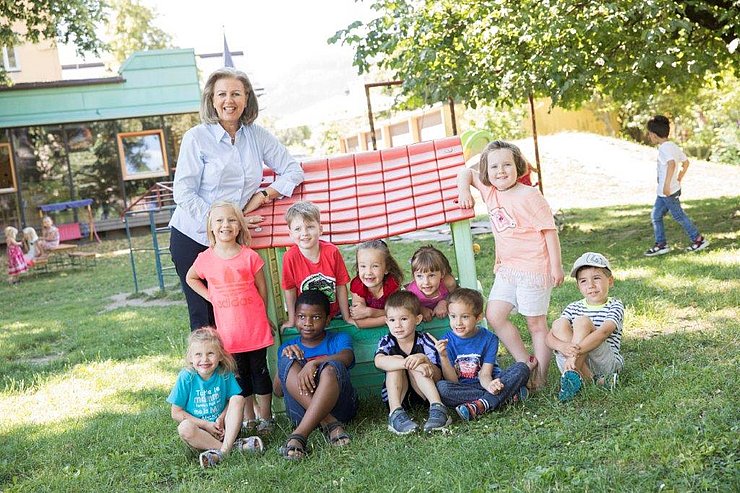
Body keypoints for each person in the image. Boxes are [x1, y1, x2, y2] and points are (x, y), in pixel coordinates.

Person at [169, 66, 304, 330]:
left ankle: (242, 372)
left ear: (246, 98)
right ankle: (209, 371)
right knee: (205, 317)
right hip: (193, 236)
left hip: (232, 242)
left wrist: (264, 195)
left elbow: (293, 170)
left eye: (236, 94)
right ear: (212, 99)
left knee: (239, 313)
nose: (228, 101)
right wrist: (224, 221)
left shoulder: (257, 136)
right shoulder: (196, 138)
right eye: (222, 94)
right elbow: (183, 192)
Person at [457, 140, 564, 390]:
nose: (500, 171)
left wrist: (556, 267)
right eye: (494, 166)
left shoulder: (530, 195)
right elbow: (465, 172)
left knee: (536, 324)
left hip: (534, 268)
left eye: (507, 164)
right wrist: (465, 191)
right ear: (487, 171)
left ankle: (541, 377)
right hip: (508, 268)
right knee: (494, 315)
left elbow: (549, 232)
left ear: (518, 166)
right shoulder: (490, 191)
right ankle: (525, 364)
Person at [186, 201, 275, 435]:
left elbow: (262, 290)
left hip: (254, 328)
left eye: (232, 220)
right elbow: (191, 278)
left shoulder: (250, 257)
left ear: (240, 226)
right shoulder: (205, 258)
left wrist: (265, 317)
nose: (226, 224)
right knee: (239, 376)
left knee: (260, 373)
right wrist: (211, 297)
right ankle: (249, 418)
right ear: (211, 228)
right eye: (219, 220)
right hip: (229, 333)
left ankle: (266, 417)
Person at [273, 290, 358, 460]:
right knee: (286, 361)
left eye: (316, 317)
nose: (308, 323)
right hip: (301, 413)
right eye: (301, 317)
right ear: (295, 317)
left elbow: (348, 358)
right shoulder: (289, 346)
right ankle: (330, 423)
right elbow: (278, 391)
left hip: (341, 408)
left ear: (327, 319)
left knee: (331, 368)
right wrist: (286, 359)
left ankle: (299, 436)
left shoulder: (339, 339)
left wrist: (314, 363)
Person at [431, 289, 537, 421]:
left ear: (479, 317)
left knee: (522, 367)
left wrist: (490, 386)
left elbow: (485, 373)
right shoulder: (448, 341)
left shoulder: (489, 338)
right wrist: (444, 357)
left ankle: (482, 404)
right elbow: (452, 381)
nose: (458, 323)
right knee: (442, 388)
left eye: (465, 317)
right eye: (453, 316)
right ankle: (507, 396)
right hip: (464, 388)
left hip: (489, 381)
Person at [167, 327, 263, 469]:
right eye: (198, 354)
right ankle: (233, 449)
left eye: (210, 353)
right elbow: (176, 412)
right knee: (184, 428)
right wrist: (205, 424)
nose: (204, 359)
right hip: (200, 433)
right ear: (190, 357)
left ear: (220, 356)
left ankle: (222, 451)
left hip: (224, 429)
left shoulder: (223, 373)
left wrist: (222, 418)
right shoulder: (186, 377)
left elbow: (231, 402)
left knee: (238, 399)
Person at [546, 252, 624, 402]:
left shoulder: (615, 305)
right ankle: (592, 380)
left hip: (605, 363)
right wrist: (562, 346)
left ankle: (574, 377)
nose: (591, 285)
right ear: (578, 286)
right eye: (583, 281)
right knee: (558, 324)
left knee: (582, 322)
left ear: (610, 281)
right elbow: (549, 338)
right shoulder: (573, 307)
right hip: (576, 360)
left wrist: (573, 354)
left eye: (596, 278)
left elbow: (604, 332)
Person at [374, 291, 450, 434]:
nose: (397, 325)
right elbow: (379, 362)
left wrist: (423, 359)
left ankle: (438, 408)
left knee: (418, 362)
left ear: (417, 319)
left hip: (424, 392)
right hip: (398, 394)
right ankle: (395, 413)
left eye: (403, 319)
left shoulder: (425, 340)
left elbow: (438, 376)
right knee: (394, 363)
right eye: (392, 320)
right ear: (386, 321)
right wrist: (405, 362)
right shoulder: (387, 341)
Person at [644, 115, 709, 256]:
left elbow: (672, 164)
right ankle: (661, 244)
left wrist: (667, 185)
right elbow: (686, 163)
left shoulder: (663, 149)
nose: (649, 136)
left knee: (679, 216)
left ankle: (698, 240)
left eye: (649, 134)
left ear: (654, 135)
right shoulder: (672, 146)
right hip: (664, 192)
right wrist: (679, 177)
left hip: (668, 191)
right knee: (655, 215)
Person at [280, 201, 352, 329]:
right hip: (308, 318)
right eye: (298, 229)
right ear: (291, 234)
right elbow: (290, 290)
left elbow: (341, 285)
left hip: (333, 313)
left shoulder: (332, 252)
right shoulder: (290, 257)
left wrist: (346, 317)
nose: (304, 233)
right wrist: (292, 320)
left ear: (320, 229)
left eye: (310, 227)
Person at [349, 239, 404, 328]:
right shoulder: (358, 285)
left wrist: (370, 312)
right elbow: (360, 322)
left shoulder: (392, 283)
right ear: (358, 268)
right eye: (363, 266)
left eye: (375, 266)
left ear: (386, 268)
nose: (368, 272)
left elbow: (399, 311)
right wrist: (390, 318)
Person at [406, 245, 458, 321]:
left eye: (431, 275)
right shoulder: (411, 292)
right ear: (414, 276)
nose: (426, 282)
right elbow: (406, 307)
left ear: (442, 274)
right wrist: (420, 309)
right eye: (420, 276)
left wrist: (444, 302)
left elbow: (457, 295)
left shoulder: (448, 283)